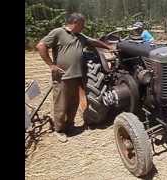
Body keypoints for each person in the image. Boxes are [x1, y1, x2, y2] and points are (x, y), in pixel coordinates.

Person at [36, 13, 112, 143]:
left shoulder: (80, 36)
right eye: (83, 24)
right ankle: (59, 130)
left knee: (73, 103)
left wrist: (109, 47)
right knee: (61, 104)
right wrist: (51, 65)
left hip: (76, 76)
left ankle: (70, 126)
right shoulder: (58, 32)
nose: (84, 27)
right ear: (75, 22)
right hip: (63, 77)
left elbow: (93, 41)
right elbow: (41, 46)